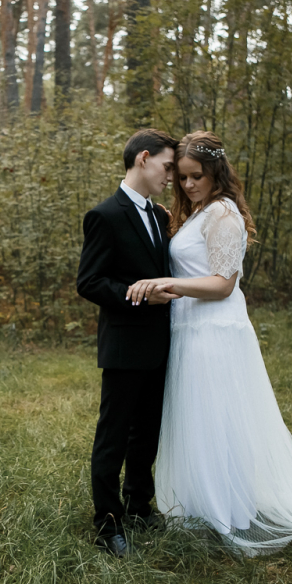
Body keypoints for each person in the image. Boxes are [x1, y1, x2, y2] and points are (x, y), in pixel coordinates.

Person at [126, 131, 292, 556]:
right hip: (191, 330)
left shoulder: (222, 214)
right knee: (199, 420)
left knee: (217, 422)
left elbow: (223, 284)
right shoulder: (199, 212)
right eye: (183, 177)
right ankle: (201, 505)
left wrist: (166, 283)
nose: (189, 184)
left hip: (214, 331)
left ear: (216, 173)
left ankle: (226, 511)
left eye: (197, 176)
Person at [76, 129, 178, 558]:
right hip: (122, 345)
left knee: (147, 433)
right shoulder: (105, 215)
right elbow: (89, 281)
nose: (171, 177)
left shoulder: (160, 216)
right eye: (167, 167)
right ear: (143, 158)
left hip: (159, 344)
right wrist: (137, 295)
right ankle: (107, 523)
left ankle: (139, 506)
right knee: (113, 436)